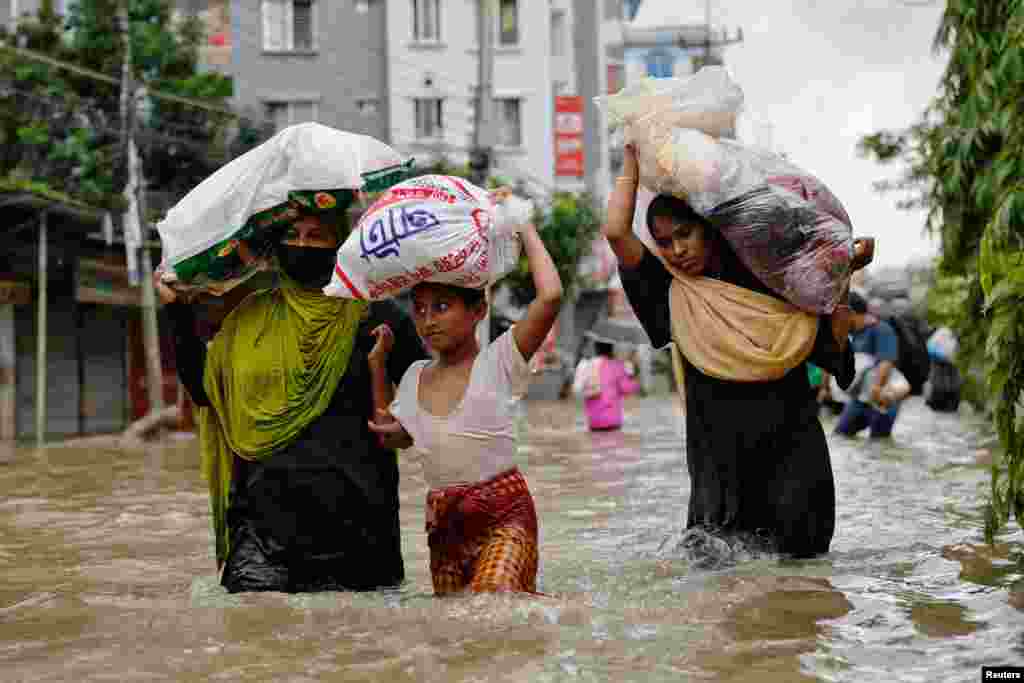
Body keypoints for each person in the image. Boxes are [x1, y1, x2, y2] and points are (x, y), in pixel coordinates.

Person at [602, 145, 867, 558]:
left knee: (801, 593)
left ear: (709, 229)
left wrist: (840, 278)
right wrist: (633, 160)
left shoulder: (771, 284)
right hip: (720, 476)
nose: (676, 251)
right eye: (664, 243)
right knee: (724, 596)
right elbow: (617, 232)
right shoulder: (670, 292)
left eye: (685, 235)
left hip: (792, 463)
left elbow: (831, 348)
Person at [156, 189, 427, 593]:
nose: (302, 245)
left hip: (358, 534)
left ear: (340, 245)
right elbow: (205, 392)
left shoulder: (378, 316)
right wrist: (177, 312)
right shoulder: (249, 318)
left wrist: (407, 427)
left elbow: (429, 401)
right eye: (293, 235)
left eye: (316, 236)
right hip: (263, 538)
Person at [368, 221, 562, 595]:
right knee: (456, 631)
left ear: (478, 310)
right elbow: (389, 437)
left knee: (491, 605)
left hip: (505, 514)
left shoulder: (499, 360)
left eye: (442, 307)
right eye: (420, 309)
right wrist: (378, 365)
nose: (428, 320)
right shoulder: (414, 374)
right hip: (445, 526)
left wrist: (525, 229)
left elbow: (550, 296)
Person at [834, 291, 905, 438]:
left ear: (851, 313)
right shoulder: (854, 334)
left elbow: (886, 361)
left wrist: (877, 387)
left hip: (882, 397)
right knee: (840, 434)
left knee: (878, 442)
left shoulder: (881, 330)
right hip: (860, 398)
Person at [573, 337, 641, 431]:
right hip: (612, 421)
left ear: (595, 348)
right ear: (612, 348)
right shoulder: (617, 366)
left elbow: (577, 390)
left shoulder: (586, 365)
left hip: (594, 422)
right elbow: (628, 389)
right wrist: (634, 372)